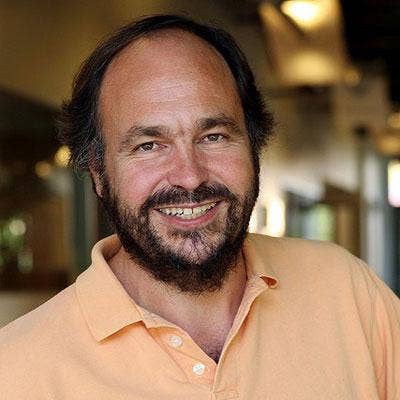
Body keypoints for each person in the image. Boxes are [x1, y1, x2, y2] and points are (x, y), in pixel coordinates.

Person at [0, 14, 399, 399]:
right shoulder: (16, 372)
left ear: (253, 146)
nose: (189, 177)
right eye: (149, 146)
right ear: (99, 174)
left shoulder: (346, 291)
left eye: (214, 136)